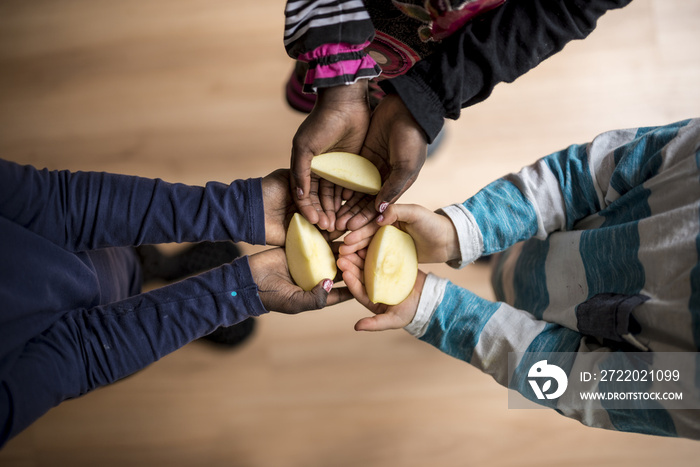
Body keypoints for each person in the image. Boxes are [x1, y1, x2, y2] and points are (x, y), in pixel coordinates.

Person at [338, 118, 700, 438]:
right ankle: (493, 249)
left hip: (571, 326)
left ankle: (496, 255)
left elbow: (574, 383)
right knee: (509, 252)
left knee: (509, 281)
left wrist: (437, 311)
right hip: (569, 228)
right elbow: (585, 176)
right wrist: (463, 231)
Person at [0, 160, 350, 446]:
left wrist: (241, 210)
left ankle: (154, 268)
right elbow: (83, 354)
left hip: (83, 256)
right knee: (119, 290)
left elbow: (53, 203)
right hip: (76, 324)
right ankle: (158, 276)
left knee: (119, 265)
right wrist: (234, 294)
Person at [284, 0, 634, 232]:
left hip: (437, 60)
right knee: (314, 94)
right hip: (340, 29)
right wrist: (339, 81)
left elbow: (561, 8)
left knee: (387, 112)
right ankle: (331, 96)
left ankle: (387, 109)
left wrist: (424, 101)